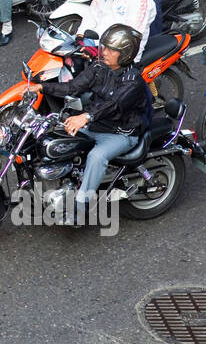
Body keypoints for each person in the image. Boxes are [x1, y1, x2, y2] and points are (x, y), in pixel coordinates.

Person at [37, 24, 148, 220]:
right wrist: (41, 87)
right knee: (57, 139)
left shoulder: (133, 81)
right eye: (103, 46)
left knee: (97, 156)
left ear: (125, 53)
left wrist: (85, 117)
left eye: (111, 49)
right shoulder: (98, 67)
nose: (104, 52)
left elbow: (113, 104)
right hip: (96, 124)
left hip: (121, 132)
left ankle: (80, 208)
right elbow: (72, 87)